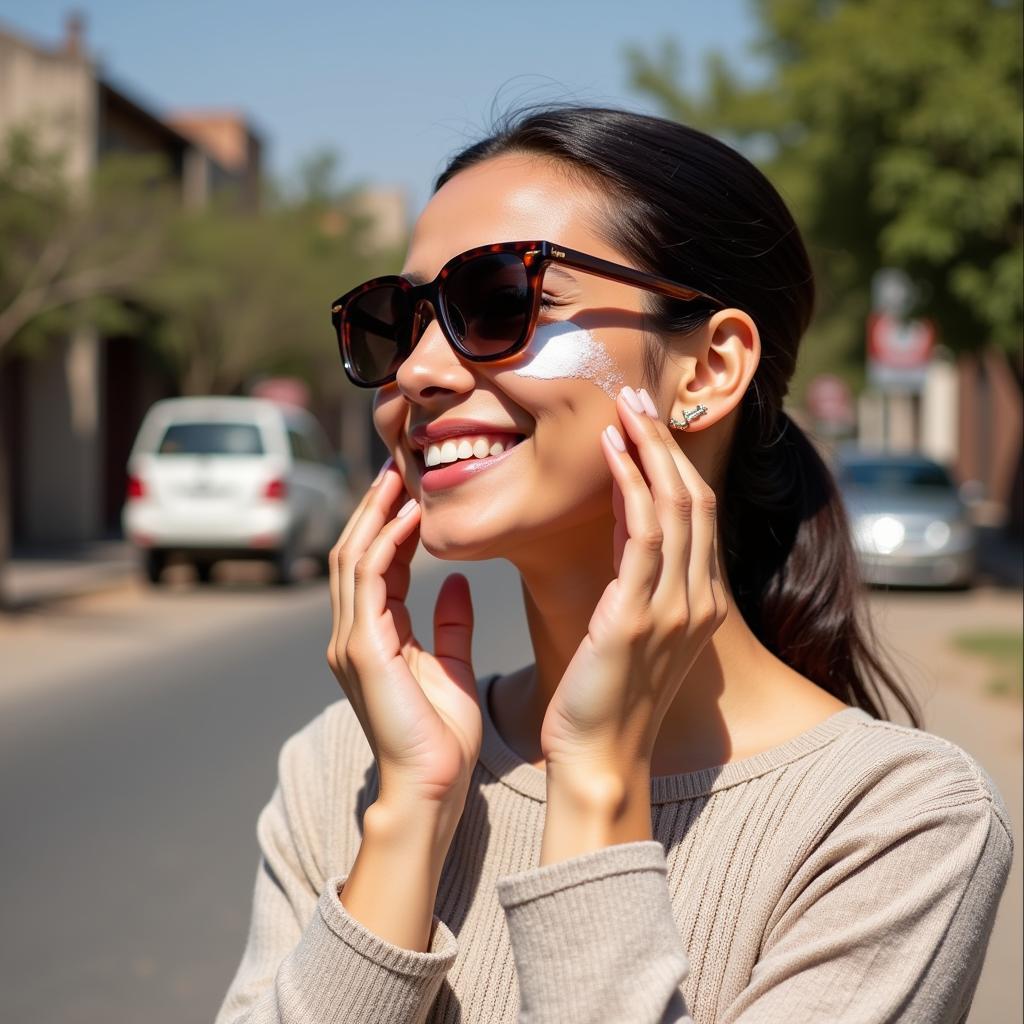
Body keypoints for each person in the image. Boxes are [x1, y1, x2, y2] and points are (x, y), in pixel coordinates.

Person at [214, 105, 1013, 1024]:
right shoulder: (349, 767)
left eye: (499, 301)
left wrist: (594, 781)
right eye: (397, 320)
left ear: (709, 369)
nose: (419, 373)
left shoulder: (891, 825)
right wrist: (408, 820)